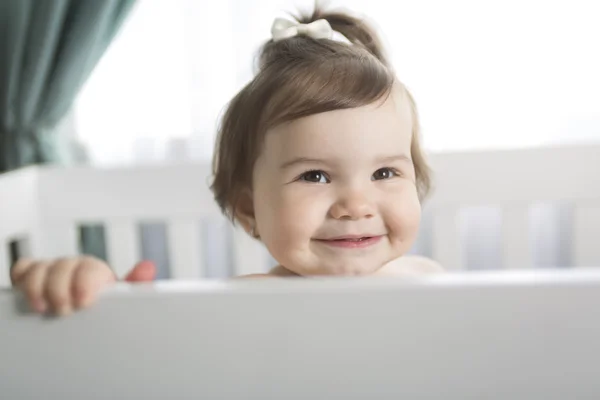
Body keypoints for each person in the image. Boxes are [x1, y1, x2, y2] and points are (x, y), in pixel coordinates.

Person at [10, 6, 442, 316]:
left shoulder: (436, 285)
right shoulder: (235, 306)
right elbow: (141, 349)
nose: (356, 205)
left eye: (385, 172)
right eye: (315, 175)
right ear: (249, 207)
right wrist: (100, 297)